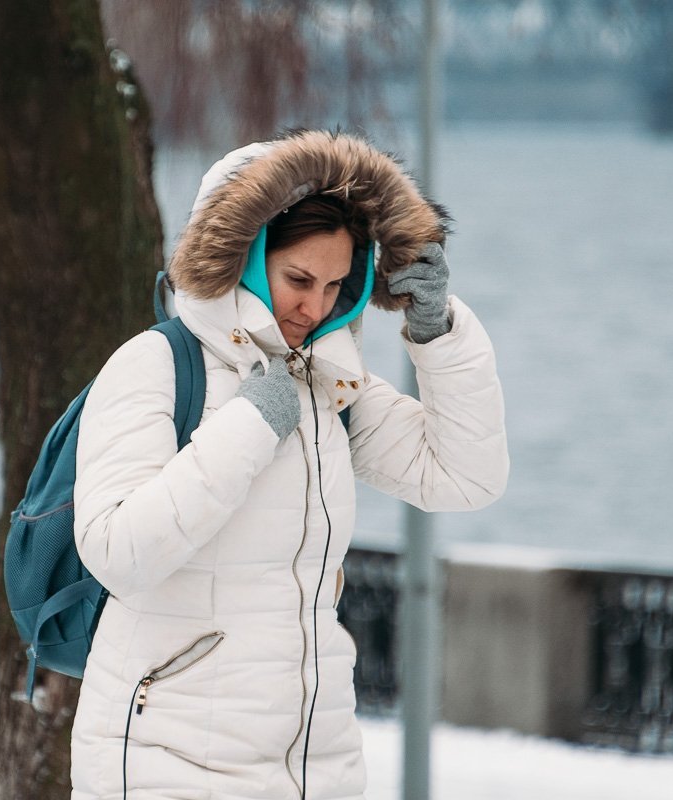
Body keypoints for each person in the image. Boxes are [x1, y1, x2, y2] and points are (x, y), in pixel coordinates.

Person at [70, 130, 509, 800]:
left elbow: (465, 477)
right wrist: (250, 424)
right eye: (298, 279)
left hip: (313, 768)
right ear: (243, 260)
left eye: (338, 285)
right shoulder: (154, 365)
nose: (315, 307)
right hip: (167, 767)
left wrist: (437, 334)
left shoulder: (324, 386)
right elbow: (118, 551)